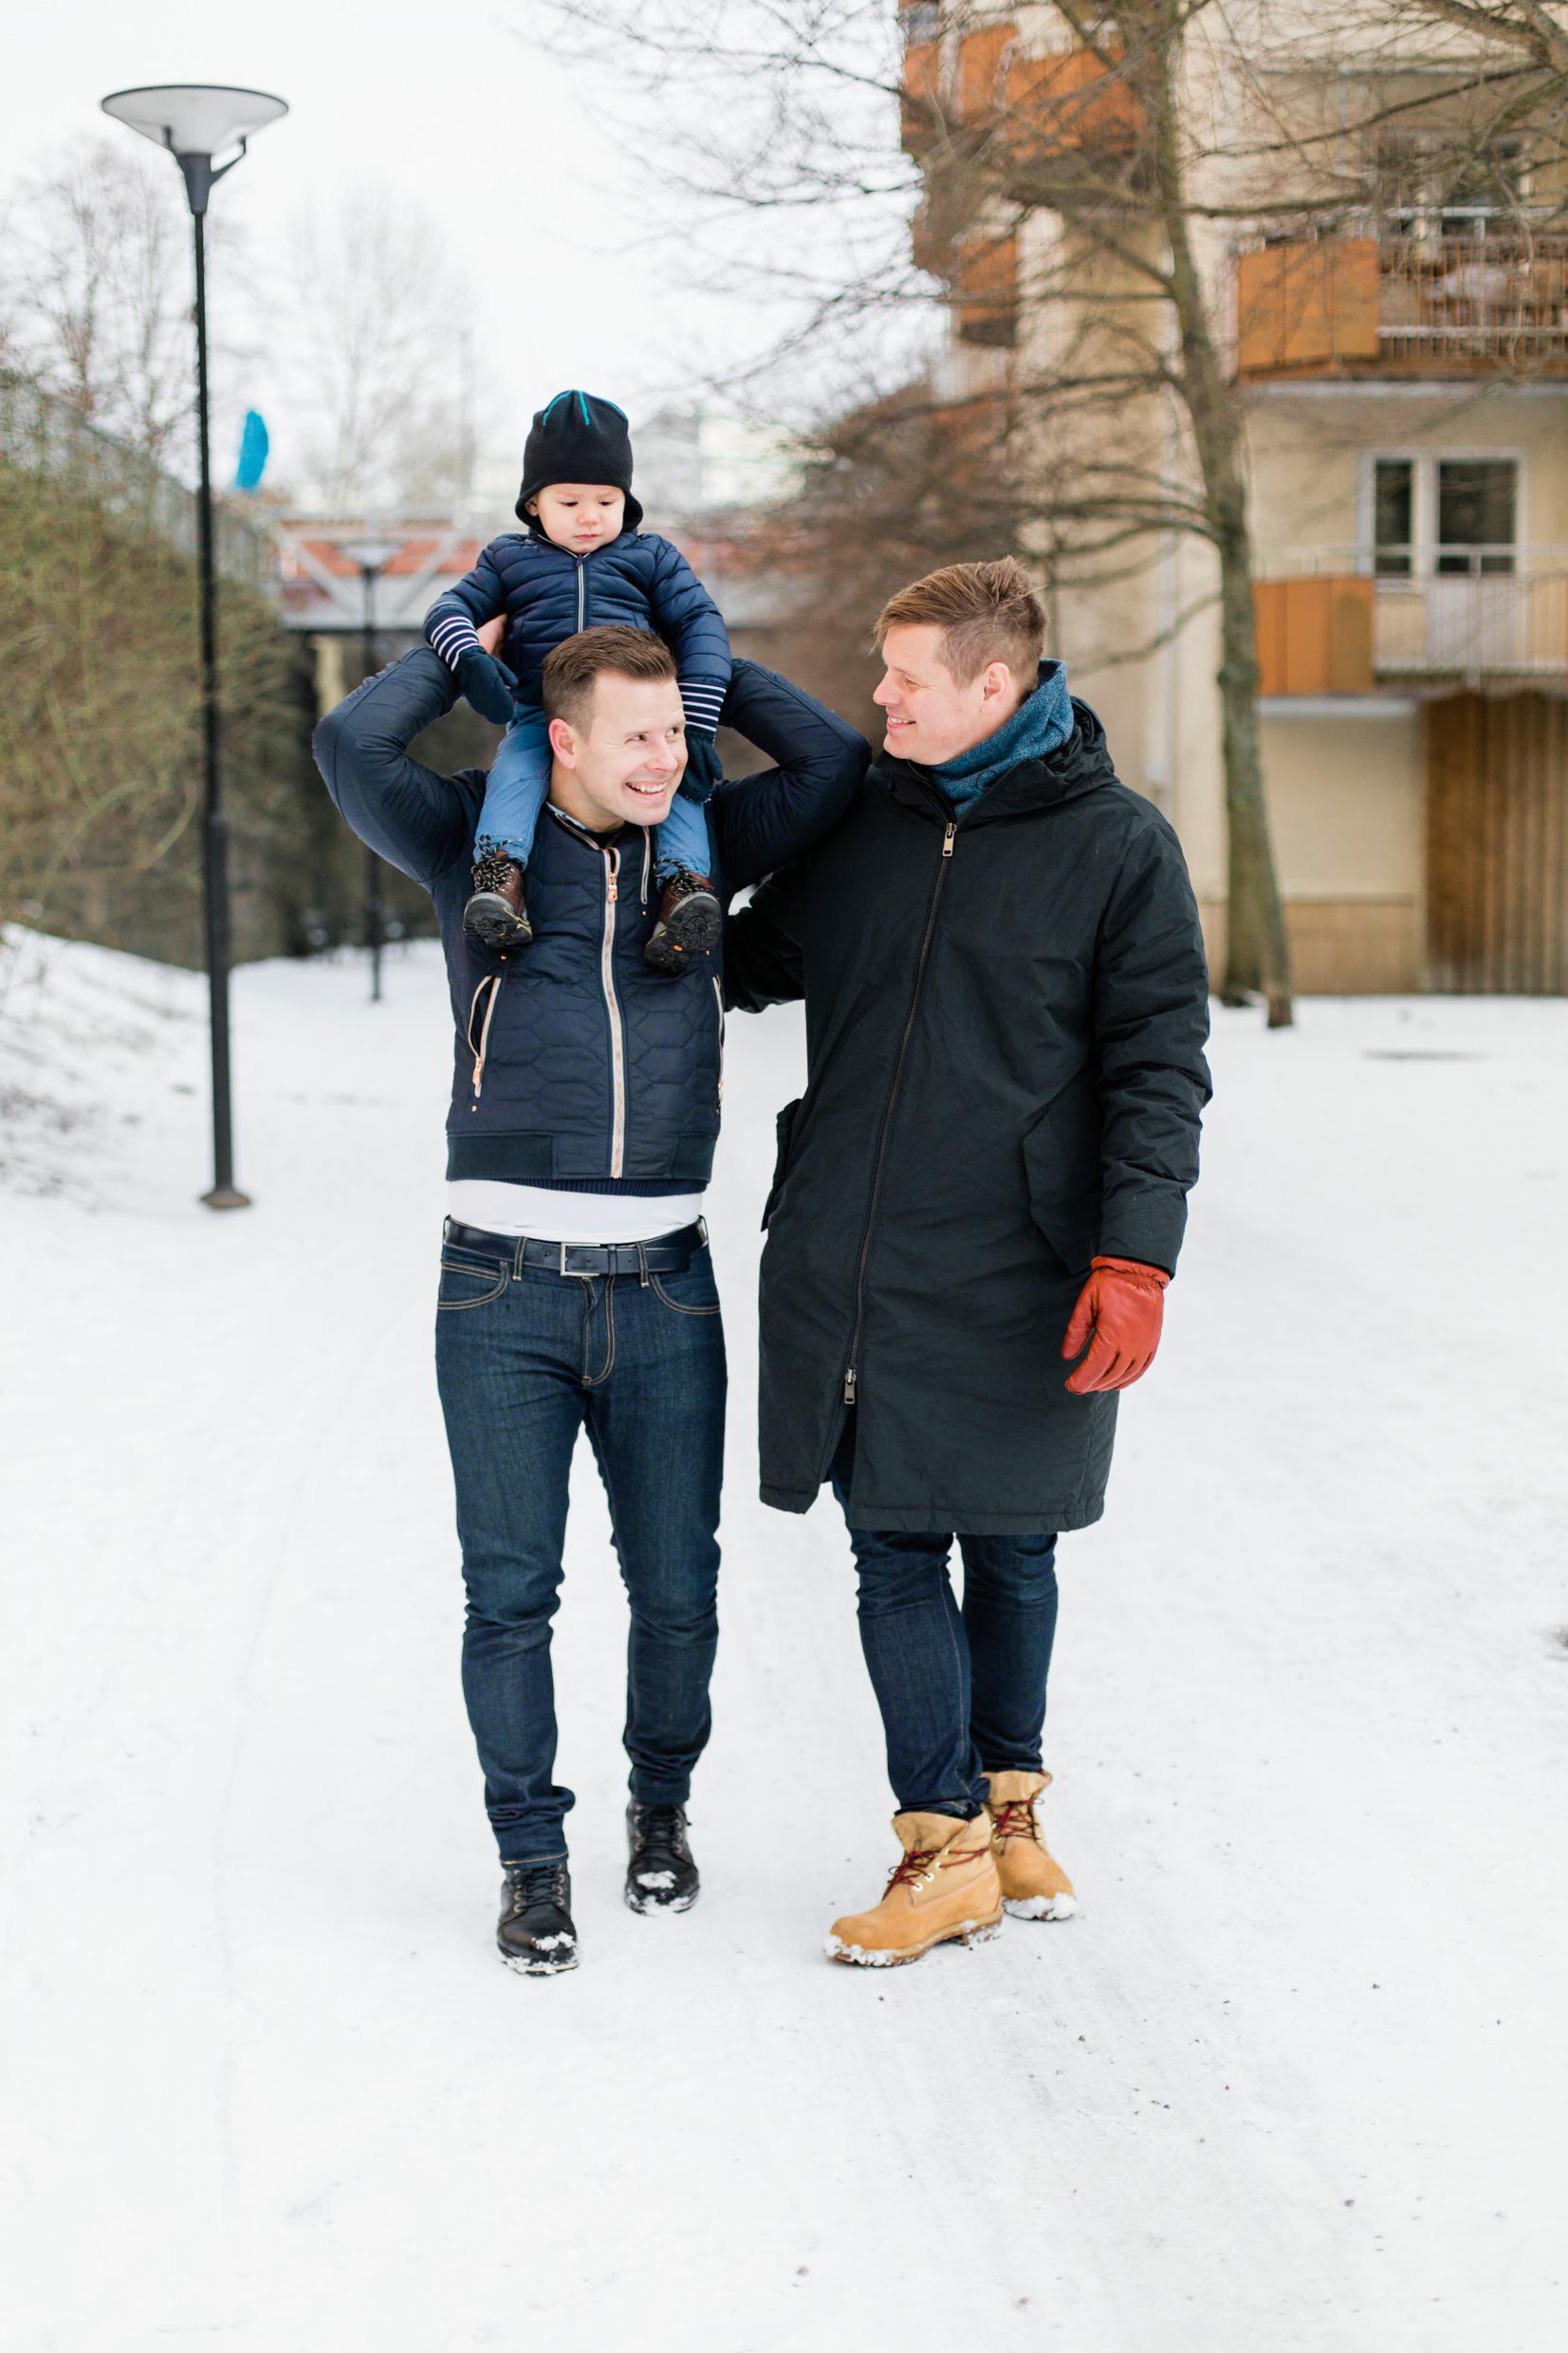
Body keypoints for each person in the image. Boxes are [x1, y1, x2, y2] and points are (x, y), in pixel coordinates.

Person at [313, 621, 865, 1974]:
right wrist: (462, 644)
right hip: (497, 1283)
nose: (666, 758)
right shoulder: (471, 843)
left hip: (665, 1281)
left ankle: (660, 1809)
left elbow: (838, 763)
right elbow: (346, 742)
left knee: (677, 1587)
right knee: (509, 1595)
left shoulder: (705, 840)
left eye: (679, 731)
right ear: (557, 739)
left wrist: (705, 660)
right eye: (638, 733)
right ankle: (529, 1859)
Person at [724, 558, 1212, 1967]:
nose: (877, 699)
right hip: (864, 1259)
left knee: (1012, 1544)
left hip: (1028, 1265)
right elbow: (749, 964)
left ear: (993, 688)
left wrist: (1139, 1255)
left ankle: (1005, 1818)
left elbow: (1158, 1067)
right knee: (892, 1545)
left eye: (904, 679)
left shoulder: (1119, 847)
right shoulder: (861, 826)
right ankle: (938, 1841)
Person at [423, 388, 730, 965]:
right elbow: (448, 611)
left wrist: (697, 720)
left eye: (607, 501)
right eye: (569, 503)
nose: (590, 517)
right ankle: (500, 878)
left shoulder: (652, 557)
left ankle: (685, 890)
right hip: (545, 707)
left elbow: (700, 621)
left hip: (635, 712)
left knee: (681, 782)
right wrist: (471, 660)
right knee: (516, 772)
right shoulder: (507, 559)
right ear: (534, 504)